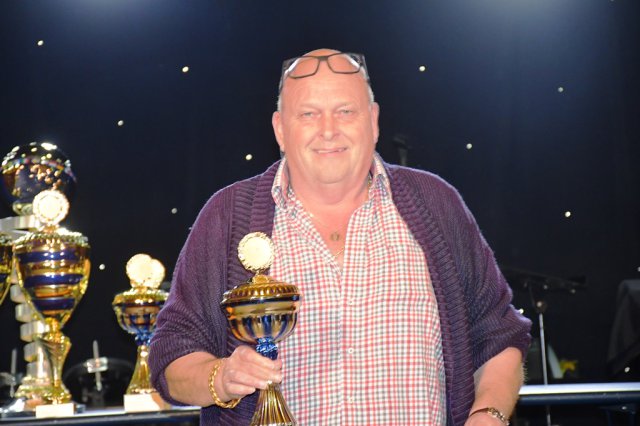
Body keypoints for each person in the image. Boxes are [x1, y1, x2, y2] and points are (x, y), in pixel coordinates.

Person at [149, 48, 532, 426]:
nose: (329, 130)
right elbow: (171, 355)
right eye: (309, 114)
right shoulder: (227, 216)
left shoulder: (436, 204)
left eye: (345, 111)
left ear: (374, 121)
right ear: (280, 129)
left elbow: (498, 335)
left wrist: (488, 415)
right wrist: (220, 377)